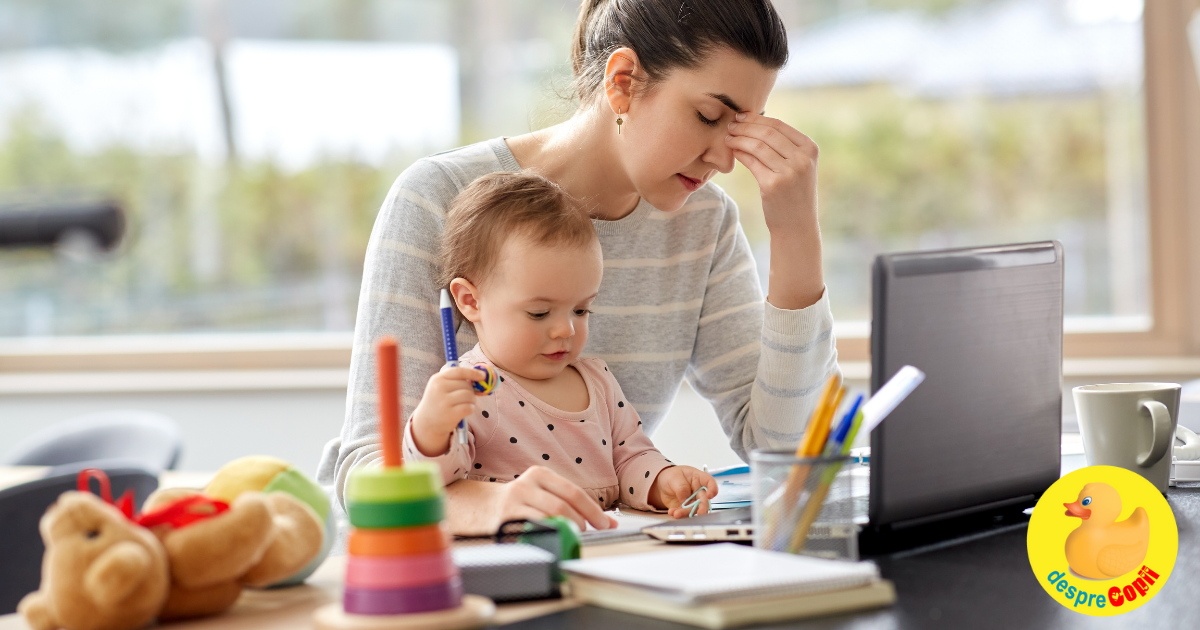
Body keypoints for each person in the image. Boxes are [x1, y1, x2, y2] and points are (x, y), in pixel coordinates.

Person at [317, 0, 838, 535]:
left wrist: (796, 235)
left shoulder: (703, 224)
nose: (725, 160)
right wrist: (494, 503)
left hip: (608, 563)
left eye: (741, 128)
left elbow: (790, 456)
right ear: (623, 81)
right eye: (709, 116)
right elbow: (366, 476)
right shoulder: (437, 199)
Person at [404, 171, 716, 521]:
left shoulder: (597, 380)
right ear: (470, 301)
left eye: (581, 309)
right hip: (516, 559)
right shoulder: (471, 387)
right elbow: (432, 487)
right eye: (539, 313)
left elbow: (631, 459)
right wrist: (430, 430)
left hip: (599, 552)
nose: (566, 329)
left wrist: (663, 480)